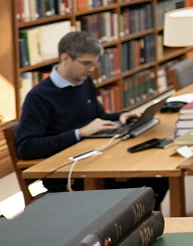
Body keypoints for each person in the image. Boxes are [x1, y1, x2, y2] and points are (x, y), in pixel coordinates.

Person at [16, 31, 169, 208]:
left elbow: (97, 117)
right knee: (148, 183)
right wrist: (79, 133)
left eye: (94, 63)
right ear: (65, 58)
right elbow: (26, 148)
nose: (92, 69)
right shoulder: (39, 97)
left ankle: (142, 220)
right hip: (67, 174)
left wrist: (120, 116)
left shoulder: (83, 82)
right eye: (86, 63)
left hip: (93, 157)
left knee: (158, 175)